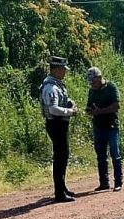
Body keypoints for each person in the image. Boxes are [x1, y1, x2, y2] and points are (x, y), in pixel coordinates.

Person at [40, 56, 78, 203]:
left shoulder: (56, 85)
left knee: (63, 157)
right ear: (56, 70)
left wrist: (69, 102)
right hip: (56, 124)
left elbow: (59, 102)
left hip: (59, 124)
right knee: (60, 158)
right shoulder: (51, 87)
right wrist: (70, 112)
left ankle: (62, 188)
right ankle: (59, 193)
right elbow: (53, 109)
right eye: (63, 70)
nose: (64, 73)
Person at [85, 67, 124, 192]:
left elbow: (116, 106)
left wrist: (100, 111)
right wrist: (89, 111)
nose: (91, 83)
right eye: (90, 82)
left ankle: (118, 182)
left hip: (111, 126)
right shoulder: (91, 91)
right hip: (98, 126)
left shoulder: (111, 87)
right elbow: (89, 106)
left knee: (115, 154)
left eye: (93, 81)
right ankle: (104, 183)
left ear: (99, 78)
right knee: (100, 155)